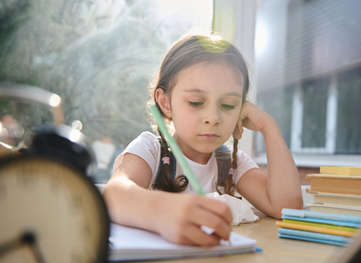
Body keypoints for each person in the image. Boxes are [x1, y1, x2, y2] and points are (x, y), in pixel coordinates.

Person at [104, 34, 302, 247]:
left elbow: (286, 207)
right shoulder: (151, 150)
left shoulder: (232, 164)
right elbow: (113, 196)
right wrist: (162, 210)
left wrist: (268, 126)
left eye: (228, 104)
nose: (213, 118)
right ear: (166, 103)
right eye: (196, 102)